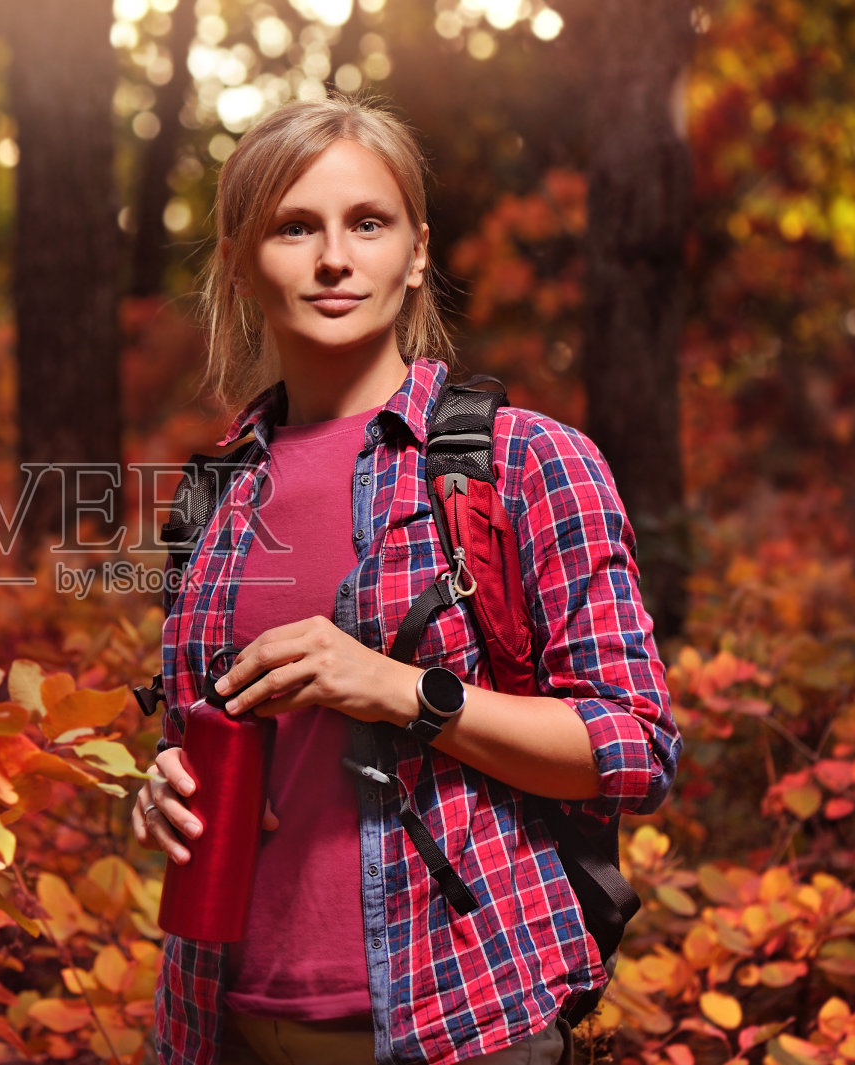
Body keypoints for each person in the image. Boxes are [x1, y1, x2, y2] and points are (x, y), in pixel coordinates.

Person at [130, 95, 680, 1065]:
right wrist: (159, 786)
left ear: (416, 253)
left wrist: (401, 691)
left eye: (367, 224)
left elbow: (632, 748)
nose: (333, 258)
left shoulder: (525, 463)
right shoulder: (210, 501)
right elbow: (208, 741)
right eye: (294, 228)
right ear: (240, 264)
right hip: (222, 1025)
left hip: (463, 1024)